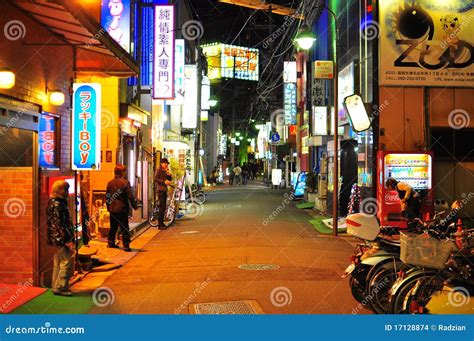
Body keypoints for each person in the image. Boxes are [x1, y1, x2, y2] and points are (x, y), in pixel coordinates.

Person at [47, 180, 75, 297]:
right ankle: (61, 287)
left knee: (57, 262)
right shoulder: (59, 205)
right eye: (66, 190)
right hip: (61, 239)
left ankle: (56, 286)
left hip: (55, 239)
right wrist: (67, 240)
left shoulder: (52, 203)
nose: (68, 192)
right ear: (61, 191)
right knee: (65, 261)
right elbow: (60, 225)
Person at [106, 164, 138, 251]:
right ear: (121, 172)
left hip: (113, 209)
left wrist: (108, 207)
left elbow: (108, 196)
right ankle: (126, 245)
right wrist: (134, 206)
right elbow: (130, 196)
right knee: (124, 227)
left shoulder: (110, 183)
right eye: (124, 171)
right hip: (122, 209)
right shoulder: (125, 182)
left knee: (113, 227)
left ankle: (110, 242)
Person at [154, 158, 172, 229]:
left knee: (164, 207)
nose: (166, 164)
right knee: (162, 207)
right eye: (165, 163)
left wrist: (169, 174)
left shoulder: (165, 170)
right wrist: (163, 182)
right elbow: (155, 178)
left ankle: (162, 222)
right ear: (162, 163)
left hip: (164, 190)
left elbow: (169, 179)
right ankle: (160, 224)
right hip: (160, 190)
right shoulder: (159, 170)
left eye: (167, 163)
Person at [80, 172, 91, 247]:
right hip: (82, 210)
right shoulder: (79, 187)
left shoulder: (80, 187)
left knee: (84, 224)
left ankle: (85, 241)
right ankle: (85, 241)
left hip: (83, 210)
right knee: (84, 224)